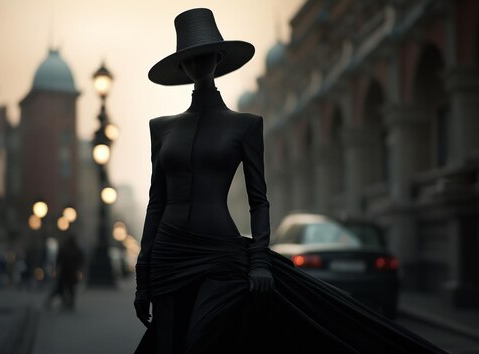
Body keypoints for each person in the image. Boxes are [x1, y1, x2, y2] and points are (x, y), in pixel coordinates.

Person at [134, 8, 449, 354]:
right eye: (191, 58)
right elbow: (157, 202)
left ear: (219, 57)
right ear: (182, 66)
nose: (199, 63)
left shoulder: (245, 126)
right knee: (168, 348)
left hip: (220, 255)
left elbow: (259, 200)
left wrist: (259, 262)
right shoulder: (161, 128)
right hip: (168, 255)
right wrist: (142, 272)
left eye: (205, 54)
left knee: (202, 344)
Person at [45, 235, 84, 310]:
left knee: (62, 289)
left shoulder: (65, 249)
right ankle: (68, 304)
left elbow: (58, 260)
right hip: (70, 273)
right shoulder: (75, 250)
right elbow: (81, 261)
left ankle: (67, 303)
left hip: (66, 272)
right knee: (68, 289)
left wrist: (56, 269)